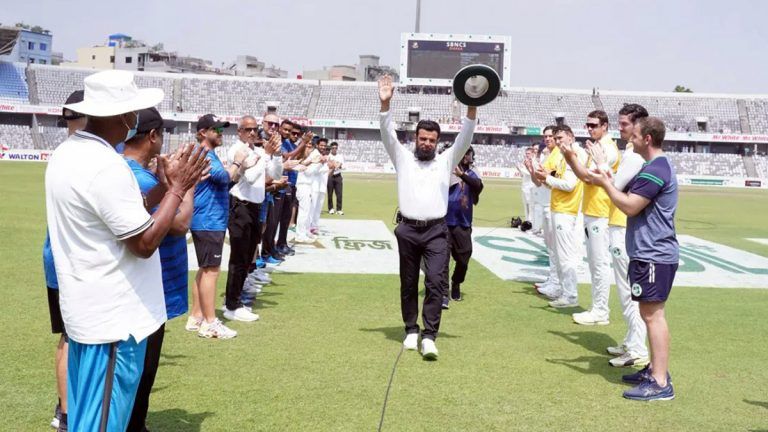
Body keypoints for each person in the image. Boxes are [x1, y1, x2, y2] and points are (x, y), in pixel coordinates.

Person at [45, 70, 207, 431]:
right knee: (102, 424)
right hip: (114, 324)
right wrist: (180, 188)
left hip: (89, 313)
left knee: (88, 419)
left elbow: (122, 209)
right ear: (124, 116)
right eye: (133, 111)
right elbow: (145, 243)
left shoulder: (69, 153)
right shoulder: (105, 167)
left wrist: (165, 188)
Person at [378, 74, 477, 360]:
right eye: (422, 138)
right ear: (415, 139)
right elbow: (386, 133)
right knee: (408, 282)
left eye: (432, 140)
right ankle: (411, 329)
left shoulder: (446, 161)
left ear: (437, 142)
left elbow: (466, 135)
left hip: (436, 231)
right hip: (407, 230)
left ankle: (430, 336)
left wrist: (472, 105)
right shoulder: (402, 158)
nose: (426, 144)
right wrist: (385, 104)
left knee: (435, 282)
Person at [588, 117, 678, 401]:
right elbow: (626, 191)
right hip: (648, 252)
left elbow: (629, 205)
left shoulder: (657, 169)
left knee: (653, 315)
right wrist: (604, 171)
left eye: (635, 135)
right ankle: (654, 369)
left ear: (648, 139)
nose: (630, 139)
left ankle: (660, 382)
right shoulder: (652, 167)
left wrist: (604, 182)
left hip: (654, 253)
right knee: (648, 313)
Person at [561, 104, 650, 367]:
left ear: (638, 125)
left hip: (623, 225)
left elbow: (609, 183)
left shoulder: (632, 155)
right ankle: (632, 340)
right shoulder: (629, 151)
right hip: (617, 221)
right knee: (625, 288)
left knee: (629, 289)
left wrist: (587, 163)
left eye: (624, 124)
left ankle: (637, 347)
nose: (620, 128)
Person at [122, 108, 191, 431]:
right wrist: (185, 185)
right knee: (139, 371)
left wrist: (169, 183)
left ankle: (136, 423)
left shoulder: (129, 173)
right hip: (144, 290)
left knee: (140, 372)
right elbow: (178, 225)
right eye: (162, 134)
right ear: (152, 136)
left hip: (147, 287)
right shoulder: (132, 175)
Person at [44, 89, 86, 432]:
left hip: (61, 257)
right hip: (69, 261)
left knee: (70, 334)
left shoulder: (64, 154)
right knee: (72, 336)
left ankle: (66, 410)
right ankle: (67, 412)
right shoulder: (80, 156)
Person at [186, 114, 244, 339]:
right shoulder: (205, 155)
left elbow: (226, 178)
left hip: (206, 218)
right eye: (216, 130)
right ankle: (210, 322)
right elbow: (226, 177)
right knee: (211, 270)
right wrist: (238, 162)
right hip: (209, 219)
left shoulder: (205, 154)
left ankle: (196, 316)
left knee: (204, 269)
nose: (221, 134)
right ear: (203, 132)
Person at [222, 115, 283, 322]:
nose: (252, 132)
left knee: (248, 256)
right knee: (239, 257)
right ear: (239, 131)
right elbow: (250, 176)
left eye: (254, 128)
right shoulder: (236, 151)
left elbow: (274, 173)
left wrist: (276, 155)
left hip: (255, 206)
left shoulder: (258, 151)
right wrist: (266, 154)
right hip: (240, 206)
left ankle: (236, 300)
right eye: (247, 129)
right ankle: (231, 304)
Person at [567, 110, 617, 325]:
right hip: (593, 209)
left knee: (599, 264)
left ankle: (600, 311)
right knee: (595, 263)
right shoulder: (597, 147)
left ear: (605, 126)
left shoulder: (607, 148)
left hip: (601, 211)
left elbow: (588, 178)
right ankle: (597, 308)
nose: (589, 128)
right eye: (587, 125)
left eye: (594, 125)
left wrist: (570, 159)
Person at [532, 125, 586, 308]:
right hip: (560, 207)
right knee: (561, 253)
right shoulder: (565, 156)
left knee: (565, 256)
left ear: (571, 136)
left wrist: (547, 178)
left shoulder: (573, 155)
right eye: (557, 138)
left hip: (566, 210)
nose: (558, 141)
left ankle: (570, 295)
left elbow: (569, 185)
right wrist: (547, 177)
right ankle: (565, 291)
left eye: (561, 138)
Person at [442, 146, 484, 309]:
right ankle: (444, 293)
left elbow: (478, 186)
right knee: (442, 261)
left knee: (464, 259)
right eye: (465, 152)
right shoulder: (446, 170)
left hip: (463, 222)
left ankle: (457, 282)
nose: (468, 156)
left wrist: (462, 175)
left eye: (470, 153)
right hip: (444, 222)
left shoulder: (473, 172)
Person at [526, 127, 560, 297]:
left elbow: (548, 182)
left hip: (555, 205)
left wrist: (541, 174)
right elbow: (538, 182)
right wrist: (533, 169)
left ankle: (557, 283)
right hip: (546, 203)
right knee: (550, 246)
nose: (547, 139)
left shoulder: (558, 155)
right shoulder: (548, 155)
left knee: (555, 247)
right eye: (545, 136)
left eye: (550, 136)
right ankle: (552, 279)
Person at [310, 138, 333, 233]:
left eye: (324, 145)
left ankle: (314, 226)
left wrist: (332, 167)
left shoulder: (323, 156)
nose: (323, 147)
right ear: (317, 145)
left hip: (322, 185)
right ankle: (309, 227)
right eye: (321, 145)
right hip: (314, 185)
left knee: (318, 207)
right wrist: (326, 165)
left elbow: (326, 173)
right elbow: (314, 171)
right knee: (312, 207)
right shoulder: (314, 154)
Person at [517, 146, 535, 224]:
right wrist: (519, 169)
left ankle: (531, 222)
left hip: (531, 187)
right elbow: (523, 175)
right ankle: (527, 221)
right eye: (526, 153)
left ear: (533, 154)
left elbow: (530, 173)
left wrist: (521, 168)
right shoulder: (525, 162)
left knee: (530, 205)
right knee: (525, 205)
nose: (527, 155)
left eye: (529, 153)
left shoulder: (533, 162)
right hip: (524, 186)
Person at [327, 141, 344, 215]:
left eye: (336, 148)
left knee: (339, 193)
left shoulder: (340, 156)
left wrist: (337, 165)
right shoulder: (328, 156)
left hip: (338, 176)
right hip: (330, 176)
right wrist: (335, 164)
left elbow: (341, 165)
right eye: (333, 148)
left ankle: (339, 209)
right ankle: (331, 208)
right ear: (331, 148)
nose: (334, 149)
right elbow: (328, 165)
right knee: (330, 193)